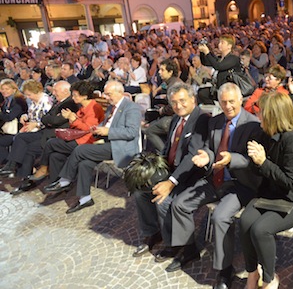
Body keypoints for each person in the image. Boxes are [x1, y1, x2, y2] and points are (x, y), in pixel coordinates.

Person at [166, 83, 263, 289]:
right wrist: (206, 157)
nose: (228, 106)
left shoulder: (253, 125)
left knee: (220, 217)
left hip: (240, 183)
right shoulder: (215, 121)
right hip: (214, 179)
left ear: (240, 101)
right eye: (223, 102)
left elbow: (254, 162)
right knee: (180, 203)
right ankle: (189, 248)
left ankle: (224, 270)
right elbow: (210, 149)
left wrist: (231, 159)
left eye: (231, 102)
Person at [240, 92, 293, 289]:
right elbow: (256, 170)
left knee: (261, 230)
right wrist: (254, 160)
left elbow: (292, 182)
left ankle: (269, 279)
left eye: (262, 114)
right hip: (271, 192)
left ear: (273, 117)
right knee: (245, 222)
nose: (259, 117)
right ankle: (252, 273)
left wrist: (263, 162)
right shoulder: (262, 134)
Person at [132, 83, 210, 260]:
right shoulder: (176, 118)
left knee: (163, 199)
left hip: (191, 176)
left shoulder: (201, 119)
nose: (178, 106)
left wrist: (170, 182)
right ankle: (153, 231)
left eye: (182, 101)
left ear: (193, 99)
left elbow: (192, 156)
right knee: (140, 192)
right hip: (172, 170)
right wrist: (154, 168)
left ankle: (174, 244)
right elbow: (168, 148)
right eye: (174, 102)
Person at [44, 80, 141, 214]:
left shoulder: (131, 107)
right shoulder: (111, 107)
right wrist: (98, 130)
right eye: (106, 94)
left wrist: (108, 132)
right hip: (105, 142)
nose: (106, 97)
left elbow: (132, 132)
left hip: (121, 147)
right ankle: (85, 198)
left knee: (80, 150)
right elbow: (105, 125)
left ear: (120, 92)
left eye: (109, 94)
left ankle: (65, 180)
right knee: (85, 163)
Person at [12, 81, 104, 194]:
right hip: (77, 137)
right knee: (55, 155)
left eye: (75, 95)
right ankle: (57, 183)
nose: (73, 97)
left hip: (85, 141)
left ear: (84, 96)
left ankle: (44, 168)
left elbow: (88, 129)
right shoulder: (83, 106)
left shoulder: (94, 107)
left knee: (51, 143)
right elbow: (74, 124)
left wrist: (73, 118)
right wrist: (72, 119)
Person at [0, 80, 52, 169]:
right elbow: (30, 114)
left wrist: (36, 124)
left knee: (19, 137)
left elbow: (49, 120)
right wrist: (24, 116)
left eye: (29, 94)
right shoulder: (34, 101)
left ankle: (11, 165)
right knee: (19, 137)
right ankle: (11, 165)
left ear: (36, 91)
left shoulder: (46, 102)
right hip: (30, 128)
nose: (27, 97)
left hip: (41, 131)